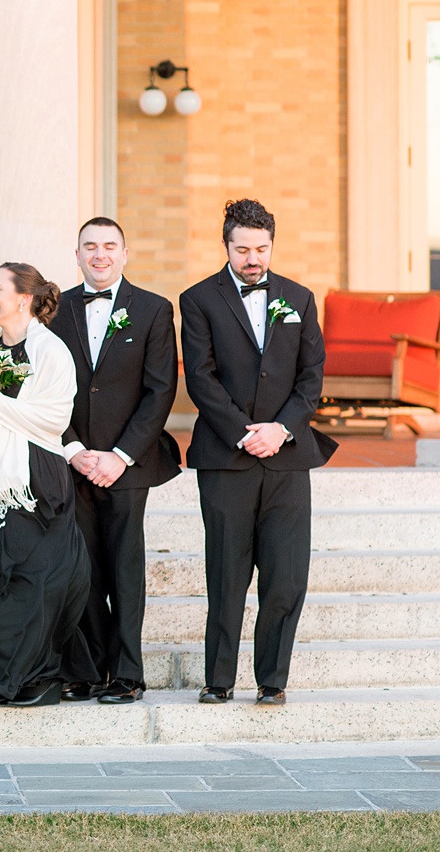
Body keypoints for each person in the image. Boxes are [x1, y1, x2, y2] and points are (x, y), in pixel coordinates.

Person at [180, 199, 336, 707]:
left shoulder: (299, 298)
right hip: (227, 457)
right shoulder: (199, 299)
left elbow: (312, 377)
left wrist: (283, 429)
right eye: (243, 248)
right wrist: (247, 432)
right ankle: (218, 680)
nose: (253, 258)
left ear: (272, 244)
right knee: (226, 572)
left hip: (288, 457)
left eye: (262, 248)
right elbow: (200, 378)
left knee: (286, 576)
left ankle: (273, 679)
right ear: (225, 245)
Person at [48, 218, 182, 705]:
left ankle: (127, 673)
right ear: (77, 254)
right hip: (72, 461)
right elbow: (42, 385)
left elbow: (160, 390)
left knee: (125, 569)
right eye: (90, 247)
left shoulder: (152, 309)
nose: (99, 255)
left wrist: (121, 456)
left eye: (109, 246)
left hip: (129, 464)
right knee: (81, 569)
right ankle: (88, 668)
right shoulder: (55, 309)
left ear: (125, 253)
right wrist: (74, 450)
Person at [0, 263, 90, 708]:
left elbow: (54, 419)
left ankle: (39, 676)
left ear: (23, 298)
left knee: (32, 578)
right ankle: (2, 675)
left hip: (36, 476)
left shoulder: (51, 350)